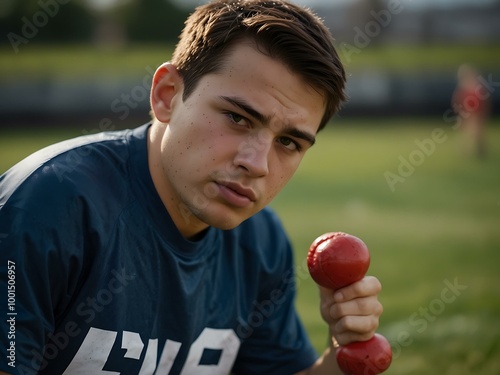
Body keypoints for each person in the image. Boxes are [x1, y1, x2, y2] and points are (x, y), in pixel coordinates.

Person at [0, 1, 384, 374]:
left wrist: (341, 356)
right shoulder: (50, 204)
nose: (257, 163)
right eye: (237, 117)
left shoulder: (261, 244)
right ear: (167, 95)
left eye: (288, 143)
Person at [451, 63, 490, 158]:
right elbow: (457, 101)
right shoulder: (464, 88)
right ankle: (469, 150)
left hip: (476, 114)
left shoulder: (476, 87)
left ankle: (479, 150)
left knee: (477, 133)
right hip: (468, 114)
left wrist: (483, 113)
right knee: (470, 133)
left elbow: (484, 102)